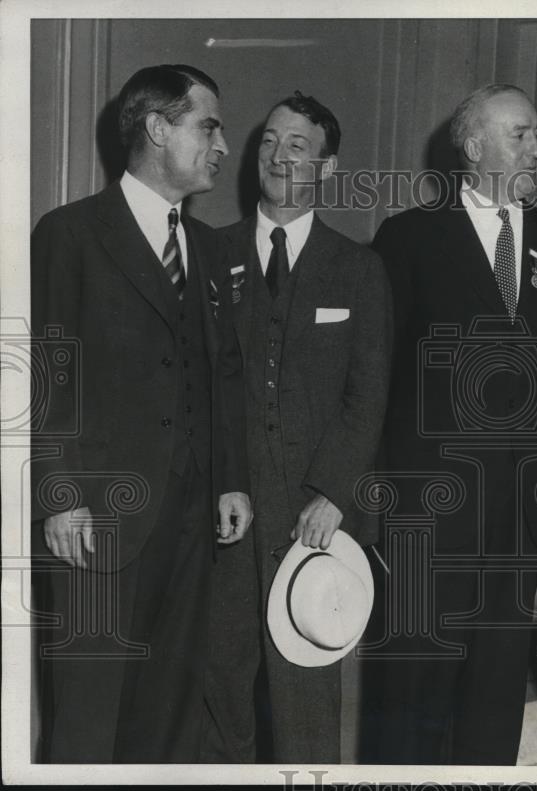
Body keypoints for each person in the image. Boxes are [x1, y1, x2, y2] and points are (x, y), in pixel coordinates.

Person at [30, 64, 252, 763]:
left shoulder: (211, 250)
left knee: (170, 719)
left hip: (190, 526)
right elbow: (46, 372)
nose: (222, 144)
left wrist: (229, 480)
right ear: (157, 128)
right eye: (207, 125)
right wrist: (60, 497)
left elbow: (224, 375)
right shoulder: (70, 234)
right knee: (90, 720)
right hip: (98, 520)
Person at [372, 83, 537, 765]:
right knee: (413, 691)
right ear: (473, 147)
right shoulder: (408, 238)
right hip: (428, 512)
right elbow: (377, 377)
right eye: (520, 135)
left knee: (495, 696)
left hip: (520, 517)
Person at [200, 91, 392, 764]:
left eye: (298, 146)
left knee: (305, 705)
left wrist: (334, 492)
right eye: (269, 143)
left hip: (314, 521)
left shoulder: (359, 269)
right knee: (219, 696)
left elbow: (368, 395)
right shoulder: (208, 254)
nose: (280, 157)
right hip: (225, 517)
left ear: (328, 166)